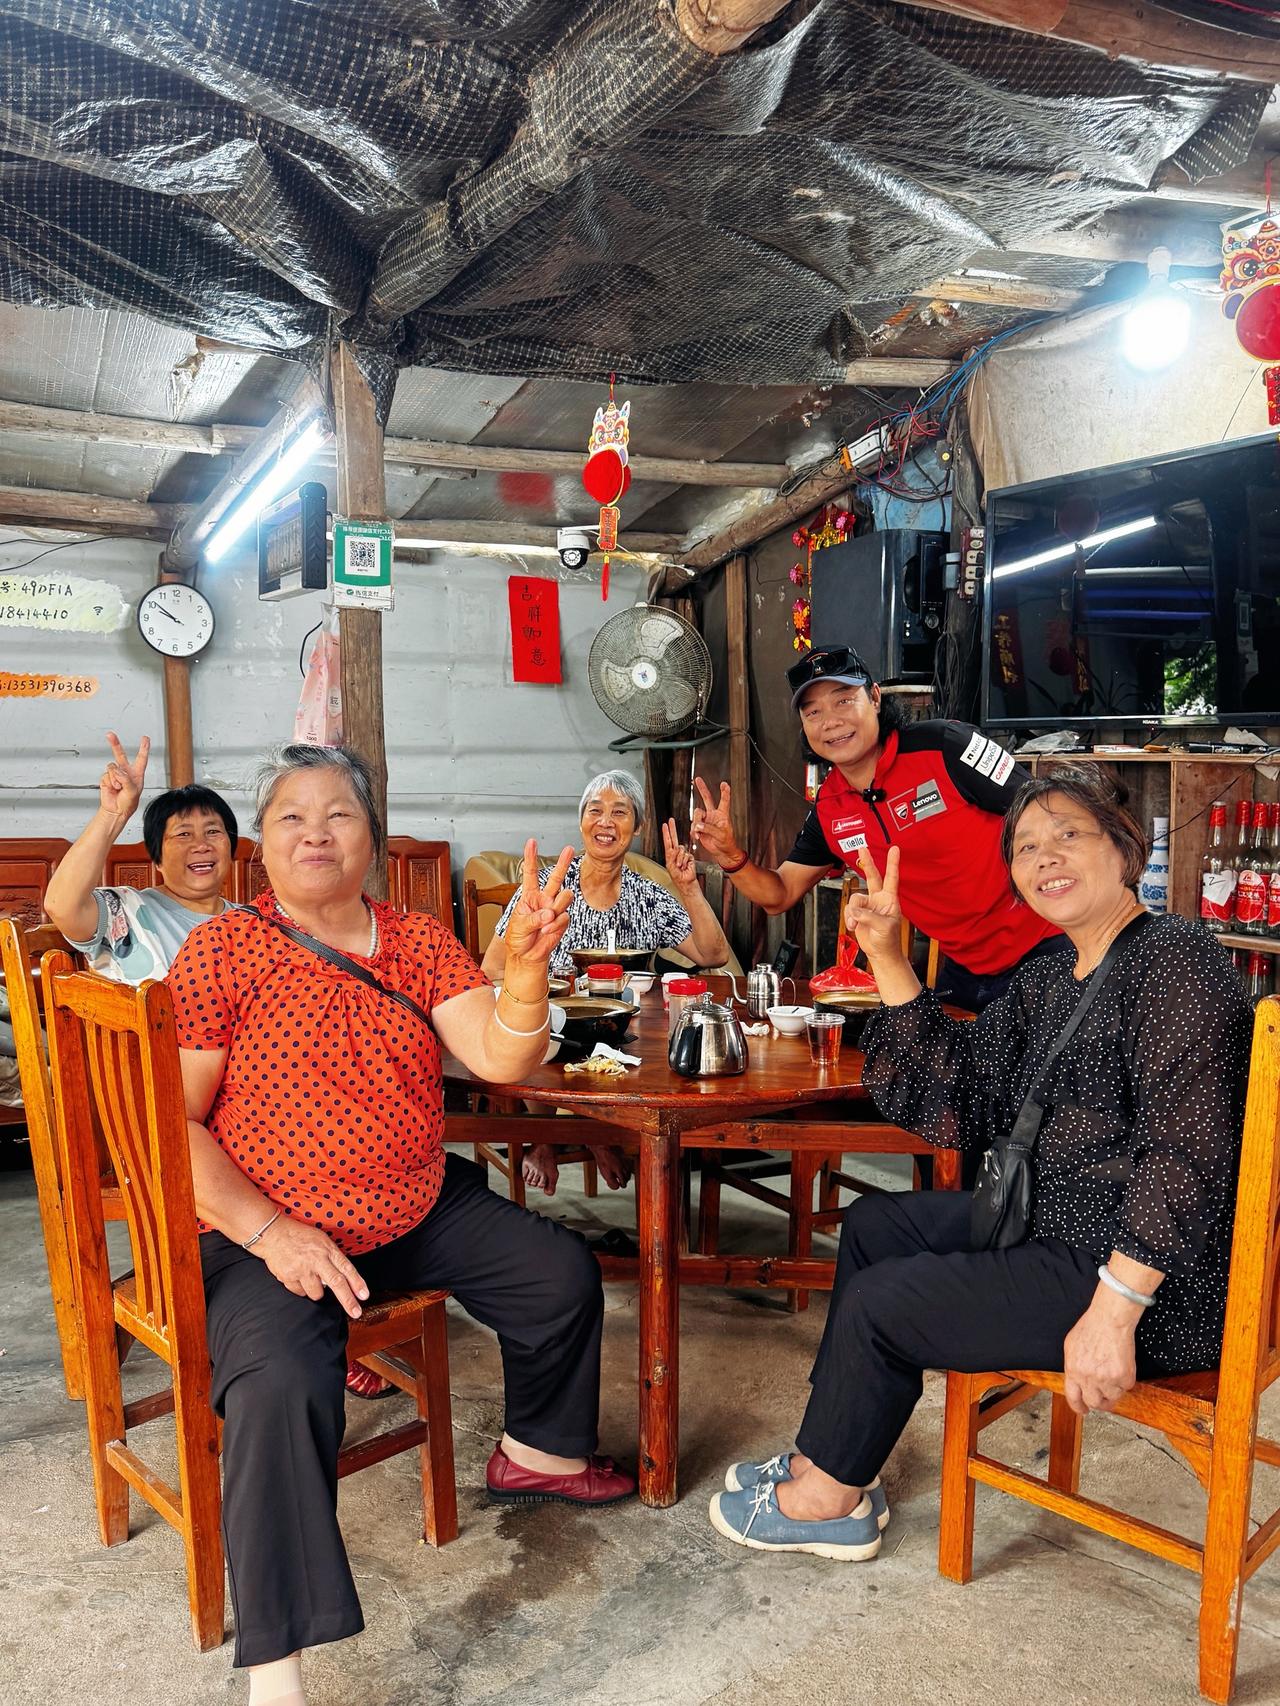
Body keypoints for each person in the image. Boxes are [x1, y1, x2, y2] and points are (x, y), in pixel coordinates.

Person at [165, 744, 634, 1705]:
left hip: (411, 1203)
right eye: (292, 816)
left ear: (372, 835)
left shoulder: (418, 942)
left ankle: (538, 1455)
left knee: (558, 1273)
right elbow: (173, 1127)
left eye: (338, 814)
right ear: (263, 842)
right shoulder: (226, 949)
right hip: (270, 1224)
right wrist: (268, 1233)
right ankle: (277, 1670)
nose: (315, 834)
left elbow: (500, 1058)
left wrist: (530, 975)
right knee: (279, 1384)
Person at [708, 765, 1251, 1560]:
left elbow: (1188, 1154)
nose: (1046, 858)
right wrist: (889, 957)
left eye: (1069, 834)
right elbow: (965, 1089)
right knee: (874, 1227)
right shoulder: (1051, 971)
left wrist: (1114, 1312)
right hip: (1056, 1220)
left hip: (1148, 1276)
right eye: (1027, 847)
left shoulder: (1176, 959)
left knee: (886, 1303)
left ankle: (826, 1502)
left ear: (1124, 849)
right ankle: (833, 1455)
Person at [690, 645, 1066, 1013]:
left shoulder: (946, 747)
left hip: (1048, 944)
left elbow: (1047, 815)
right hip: (966, 969)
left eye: (843, 700)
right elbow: (780, 893)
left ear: (874, 697)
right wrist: (729, 856)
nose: (830, 722)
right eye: (813, 711)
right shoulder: (829, 808)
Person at [483, 768, 731, 1195]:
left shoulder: (646, 894)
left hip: (624, 1036)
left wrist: (688, 886)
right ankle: (551, 1140)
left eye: (620, 812)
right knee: (539, 1033)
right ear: (581, 822)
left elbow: (713, 955)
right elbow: (491, 969)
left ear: (635, 827)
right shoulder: (548, 886)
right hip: (553, 1028)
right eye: (594, 811)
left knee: (637, 1041)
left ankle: (593, 1132)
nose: (605, 822)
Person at [44, 732, 237, 982]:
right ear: (157, 859)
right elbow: (61, 905)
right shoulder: (125, 912)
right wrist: (113, 814)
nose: (201, 845)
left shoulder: (253, 924)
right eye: (183, 834)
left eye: (212, 831)